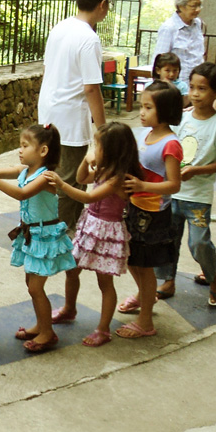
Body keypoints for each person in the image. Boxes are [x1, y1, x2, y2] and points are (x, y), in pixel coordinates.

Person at [37, 0, 111, 326]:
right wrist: (102, 131)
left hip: (49, 118)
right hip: (70, 125)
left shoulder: (61, 27)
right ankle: (60, 247)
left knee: (54, 182)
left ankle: (52, 236)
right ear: (102, 5)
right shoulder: (88, 38)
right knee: (68, 189)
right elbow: (92, 89)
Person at [0, 125, 76, 353]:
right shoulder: (26, 170)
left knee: (36, 288)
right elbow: (1, 170)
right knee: (30, 284)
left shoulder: (46, 177)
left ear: (42, 151)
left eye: (24, 145)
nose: (19, 150)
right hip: (32, 235)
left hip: (45, 237)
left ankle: (48, 333)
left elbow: (22, 193)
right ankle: (42, 325)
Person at [45, 123, 142, 347]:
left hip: (107, 231)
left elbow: (88, 197)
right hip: (90, 226)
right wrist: (87, 160)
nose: (94, 148)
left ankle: (103, 329)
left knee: (104, 282)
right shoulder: (103, 170)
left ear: (112, 150)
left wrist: (61, 183)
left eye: (97, 145)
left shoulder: (118, 178)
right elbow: (81, 178)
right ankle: (69, 308)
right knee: (72, 269)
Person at [151, 63, 216, 305]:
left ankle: (214, 280)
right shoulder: (180, 119)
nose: (194, 93)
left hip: (198, 197)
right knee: (167, 240)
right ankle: (168, 281)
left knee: (199, 242)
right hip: (172, 193)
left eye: (202, 89)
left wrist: (197, 170)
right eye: (192, 87)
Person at [115, 81, 183, 338]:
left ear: (164, 111)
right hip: (133, 208)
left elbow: (174, 184)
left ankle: (146, 323)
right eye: (141, 106)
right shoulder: (142, 134)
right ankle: (146, 296)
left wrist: (143, 184)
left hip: (153, 214)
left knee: (145, 266)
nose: (141, 112)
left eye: (147, 107)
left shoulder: (171, 143)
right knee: (132, 259)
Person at [152, 0, 206, 85]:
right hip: (176, 85)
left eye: (200, 5)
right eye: (194, 6)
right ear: (181, 6)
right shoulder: (169, 28)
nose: (198, 9)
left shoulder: (198, 24)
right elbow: (159, 60)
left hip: (196, 83)